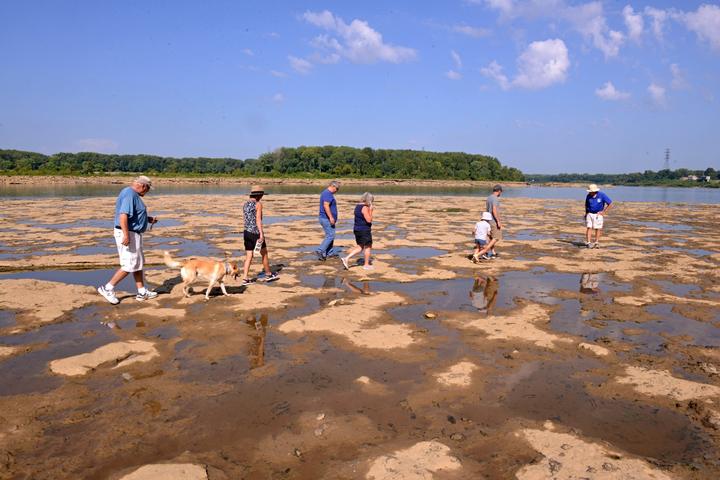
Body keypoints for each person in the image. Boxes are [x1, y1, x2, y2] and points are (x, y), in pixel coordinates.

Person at [97, 176, 159, 304]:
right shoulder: (129, 194)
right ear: (143, 186)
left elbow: (134, 214)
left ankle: (141, 291)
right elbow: (123, 215)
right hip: (128, 233)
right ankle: (107, 288)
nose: (147, 192)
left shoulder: (133, 195)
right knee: (129, 264)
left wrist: (148, 219)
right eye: (147, 189)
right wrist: (126, 235)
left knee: (137, 263)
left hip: (134, 233)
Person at [241, 185, 279, 285]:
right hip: (255, 233)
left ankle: (245, 278)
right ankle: (268, 274)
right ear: (259, 195)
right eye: (262, 195)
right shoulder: (258, 204)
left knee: (249, 255)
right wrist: (261, 234)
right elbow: (258, 220)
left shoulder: (245, 204)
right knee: (264, 253)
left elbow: (246, 219)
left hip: (246, 232)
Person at [341, 192, 374, 270]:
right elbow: (369, 220)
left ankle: (346, 258)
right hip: (364, 230)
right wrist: (371, 211)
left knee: (360, 246)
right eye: (372, 201)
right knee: (368, 247)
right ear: (368, 200)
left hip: (357, 229)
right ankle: (366, 265)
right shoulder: (364, 207)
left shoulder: (357, 206)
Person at [316, 181, 340, 261]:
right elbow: (326, 206)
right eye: (337, 189)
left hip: (326, 218)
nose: (337, 191)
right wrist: (331, 217)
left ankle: (330, 253)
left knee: (331, 235)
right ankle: (320, 250)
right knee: (330, 235)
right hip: (326, 218)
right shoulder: (327, 193)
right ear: (333, 186)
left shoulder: (327, 193)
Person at [584, 184, 613, 248]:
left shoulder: (602, 195)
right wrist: (586, 213)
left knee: (598, 228)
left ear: (594, 191)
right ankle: (588, 243)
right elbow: (586, 205)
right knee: (589, 228)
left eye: (590, 191)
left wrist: (604, 212)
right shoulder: (588, 196)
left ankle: (596, 242)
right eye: (589, 191)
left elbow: (610, 204)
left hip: (598, 214)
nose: (589, 192)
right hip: (589, 214)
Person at [485, 184, 503, 257]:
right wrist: (498, 221)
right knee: (496, 238)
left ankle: (493, 253)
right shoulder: (495, 198)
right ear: (499, 191)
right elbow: (494, 210)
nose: (501, 194)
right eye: (501, 192)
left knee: (491, 237)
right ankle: (484, 251)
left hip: (488, 220)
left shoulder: (489, 197)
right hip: (493, 221)